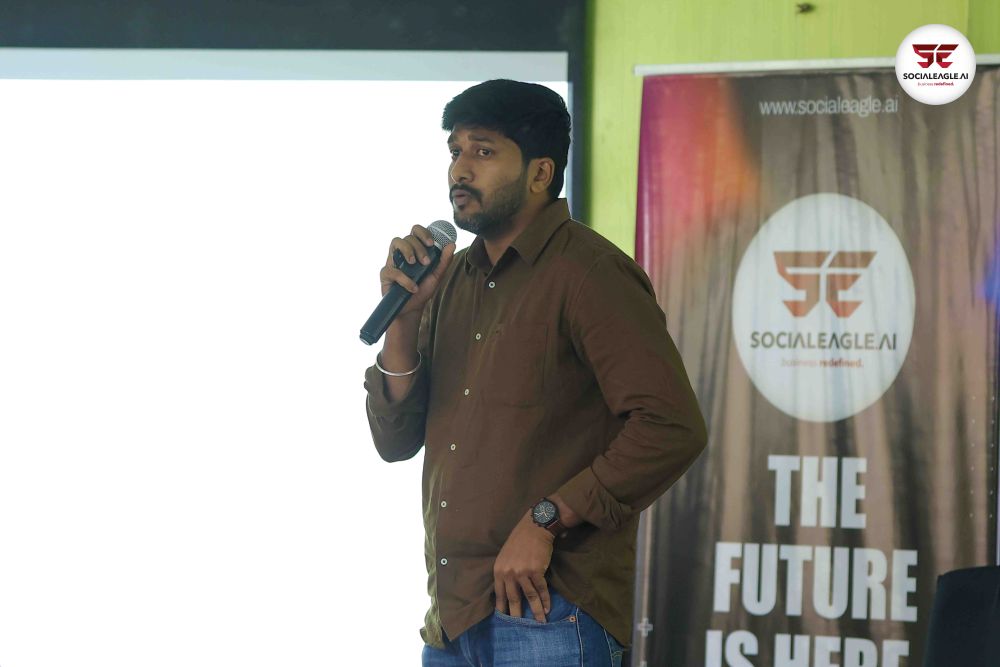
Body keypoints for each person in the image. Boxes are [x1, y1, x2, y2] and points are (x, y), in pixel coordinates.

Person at [364, 79, 707, 667]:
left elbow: (671, 425)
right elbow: (395, 441)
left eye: (483, 151)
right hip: (451, 617)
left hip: (550, 612)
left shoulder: (589, 273)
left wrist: (547, 518)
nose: (459, 170)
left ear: (541, 174)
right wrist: (405, 318)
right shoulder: (451, 282)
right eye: (454, 151)